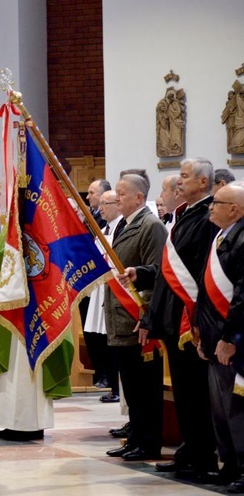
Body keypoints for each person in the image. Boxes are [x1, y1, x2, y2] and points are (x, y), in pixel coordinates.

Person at [132, 158, 219, 476]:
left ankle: (202, 456)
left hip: (191, 319)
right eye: (179, 177)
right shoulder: (184, 216)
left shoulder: (208, 218)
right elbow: (168, 273)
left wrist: (196, 318)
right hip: (173, 317)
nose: (179, 182)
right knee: (184, 393)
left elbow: (198, 272)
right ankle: (188, 451)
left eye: (185, 177)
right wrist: (149, 308)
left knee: (196, 393)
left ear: (202, 182)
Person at [103, 173, 167, 462]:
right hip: (120, 317)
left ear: (139, 198)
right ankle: (135, 438)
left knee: (145, 388)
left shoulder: (150, 226)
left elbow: (156, 274)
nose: (117, 197)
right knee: (131, 386)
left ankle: (149, 442)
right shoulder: (126, 225)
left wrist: (148, 318)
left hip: (138, 320)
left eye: (122, 193)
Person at [195, 182, 244, 490]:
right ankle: (228, 463)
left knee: (237, 409)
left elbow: (241, 295)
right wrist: (203, 334)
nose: (210, 207)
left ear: (235, 209)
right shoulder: (220, 236)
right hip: (214, 336)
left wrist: (229, 338)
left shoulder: (242, 239)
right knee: (219, 409)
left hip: (234, 340)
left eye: (217, 202)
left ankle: (242, 467)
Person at [83, 191, 122, 398]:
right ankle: (107, 378)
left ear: (117, 204)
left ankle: (116, 385)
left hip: (114, 287)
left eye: (105, 204)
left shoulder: (122, 226)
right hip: (99, 288)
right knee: (98, 336)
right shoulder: (103, 228)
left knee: (111, 337)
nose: (101, 208)